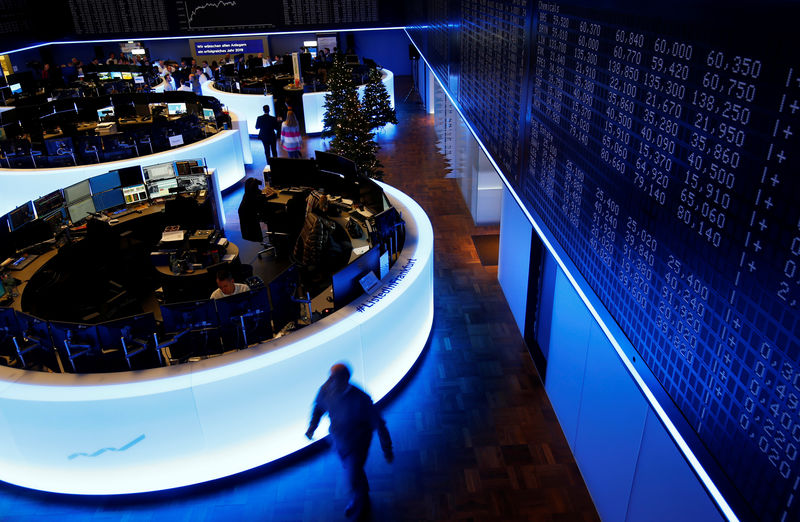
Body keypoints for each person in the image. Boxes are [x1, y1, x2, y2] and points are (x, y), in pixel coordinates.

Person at [306, 363, 393, 519]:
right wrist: (313, 426)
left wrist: (387, 449)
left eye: (334, 379)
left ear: (346, 379)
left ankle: (361, 506)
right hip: (338, 441)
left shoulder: (361, 398)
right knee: (354, 472)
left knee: (353, 475)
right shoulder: (327, 389)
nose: (330, 382)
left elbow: (379, 424)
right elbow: (319, 408)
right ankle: (362, 496)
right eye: (330, 378)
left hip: (357, 444)